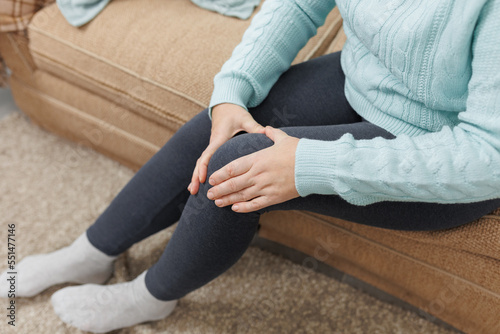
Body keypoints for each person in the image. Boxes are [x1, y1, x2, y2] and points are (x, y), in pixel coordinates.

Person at [2, 0, 500, 332]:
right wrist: (232, 91)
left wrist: (309, 164)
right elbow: (301, 4)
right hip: (365, 81)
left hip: (449, 148)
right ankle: (91, 252)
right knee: (222, 126)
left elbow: (487, 155)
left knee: (241, 165)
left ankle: (152, 296)